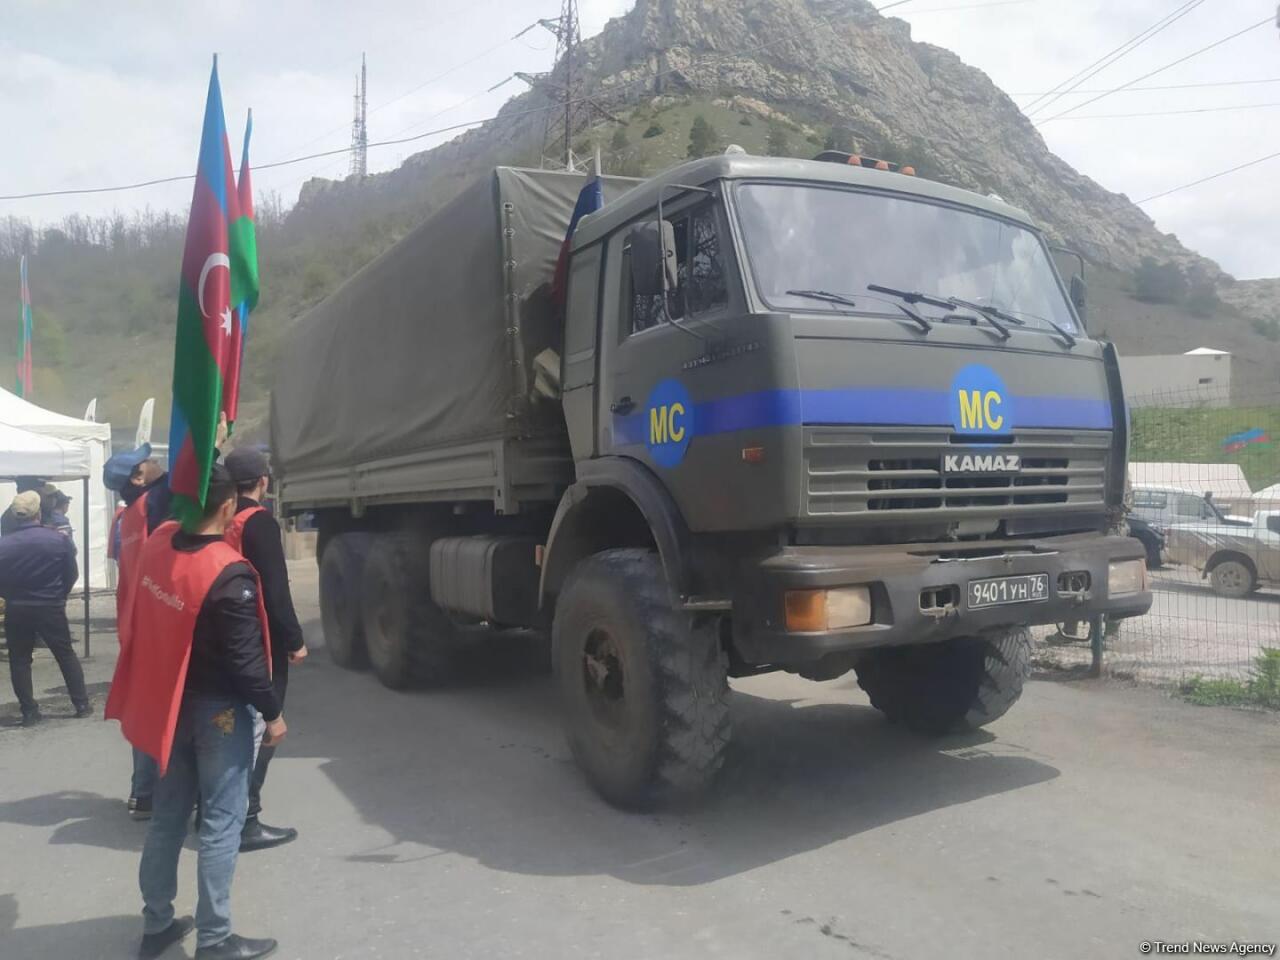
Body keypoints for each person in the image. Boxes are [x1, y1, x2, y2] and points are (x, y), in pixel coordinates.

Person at [105, 465, 283, 960]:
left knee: (168, 816)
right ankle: (215, 937)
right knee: (222, 822)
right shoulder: (228, 570)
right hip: (219, 710)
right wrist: (273, 714)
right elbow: (246, 663)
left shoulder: (158, 546)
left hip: (170, 703)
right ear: (228, 506)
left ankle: (157, 923)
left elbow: (164, 508)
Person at [225, 447, 306, 853]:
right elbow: (275, 589)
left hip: (224, 635)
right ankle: (246, 819)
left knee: (229, 725)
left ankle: (217, 808)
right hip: (261, 640)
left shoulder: (221, 517)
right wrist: (294, 639)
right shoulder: (259, 522)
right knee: (264, 726)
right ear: (263, 481)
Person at [103, 443, 173, 819]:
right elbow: (188, 478)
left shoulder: (128, 517)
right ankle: (174, 794)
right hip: (157, 623)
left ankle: (142, 793)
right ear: (138, 477)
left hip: (135, 624)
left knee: (145, 707)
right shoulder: (154, 504)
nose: (154, 460)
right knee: (168, 708)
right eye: (147, 460)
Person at [0, 491, 90, 725]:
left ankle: (29, 711)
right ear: (38, 512)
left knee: (20, 660)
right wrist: (59, 594)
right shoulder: (57, 539)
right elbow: (71, 573)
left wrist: (10, 596)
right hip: (50, 604)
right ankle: (81, 704)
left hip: (17, 607)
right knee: (65, 654)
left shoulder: (4, 544)